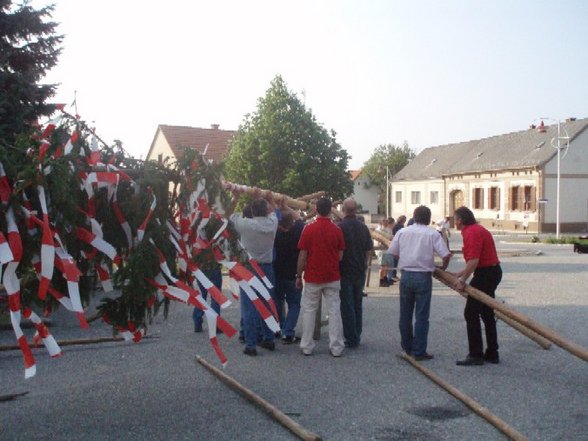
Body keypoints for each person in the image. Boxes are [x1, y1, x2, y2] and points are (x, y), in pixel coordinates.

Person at [389, 206, 451, 360]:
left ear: (414, 217)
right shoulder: (432, 233)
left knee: (405, 314)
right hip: (423, 276)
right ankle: (419, 351)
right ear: (429, 219)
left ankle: (407, 347)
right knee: (422, 316)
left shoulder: (402, 232)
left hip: (406, 275)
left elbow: (393, 252)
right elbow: (446, 254)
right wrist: (442, 268)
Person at [451, 206, 502, 366]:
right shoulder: (477, 229)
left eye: (455, 219)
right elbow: (475, 261)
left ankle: (476, 354)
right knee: (487, 312)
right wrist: (461, 273)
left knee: (470, 313)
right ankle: (492, 352)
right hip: (491, 271)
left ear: (460, 220)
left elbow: (474, 260)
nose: (454, 222)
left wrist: (463, 280)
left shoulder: (471, 232)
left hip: (486, 274)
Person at [229, 195, 279, 356]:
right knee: (267, 304)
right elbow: (274, 210)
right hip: (267, 267)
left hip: (249, 268)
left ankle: (251, 344)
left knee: (250, 306)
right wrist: (268, 196)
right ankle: (269, 338)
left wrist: (234, 196)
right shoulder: (272, 223)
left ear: (251, 211)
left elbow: (228, 214)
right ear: (266, 210)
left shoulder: (245, 225)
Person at [296, 197, 346, 357]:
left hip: (312, 275)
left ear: (316, 209)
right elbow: (340, 255)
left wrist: (299, 275)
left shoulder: (308, 229)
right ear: (331, 209)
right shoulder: (337, 230)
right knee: (334, 311)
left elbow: (302, 255)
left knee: (309, 310)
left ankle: (307, 345)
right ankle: (336, 346)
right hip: (332, 275)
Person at [338, 198, 373, 348]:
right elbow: (368, 250)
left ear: (344, 210)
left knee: (347, 305)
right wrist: (364, 264)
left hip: (344, 270)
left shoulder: (340, 227)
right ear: (356, 210)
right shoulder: (363, 227)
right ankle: (357, 334)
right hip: (359, 270)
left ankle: (351, 337)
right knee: (357, 303)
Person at [273, 209, 304, 344]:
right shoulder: (297, 232)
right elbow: (299, 220)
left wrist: (278, 208)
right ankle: (288, 331)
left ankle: (280, 327)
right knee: (294, 304)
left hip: (277, 273)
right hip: (292, 274)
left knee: (278, 302)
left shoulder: (274, 233)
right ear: (291, 222)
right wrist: (286, 206)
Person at [192, 262, 222, 333]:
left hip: (200, 269)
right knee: (215, 298)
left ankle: (197, 323)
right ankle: (216, 325)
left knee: (201, 298)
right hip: (213, 268)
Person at [389, 215, 407, 282]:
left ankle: (395, 274)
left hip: (401, 245)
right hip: (397, 245)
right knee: (395, 261)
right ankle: (393, 275)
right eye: (404, 220)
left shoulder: (401, 226)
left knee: (398, 261)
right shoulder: (397, 226)